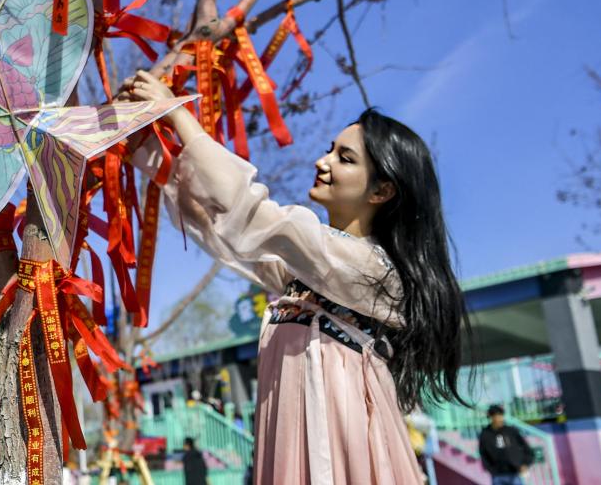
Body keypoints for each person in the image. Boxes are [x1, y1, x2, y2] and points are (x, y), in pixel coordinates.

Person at [121, 71, 469, 484]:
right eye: (330, 151)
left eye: (345, 158)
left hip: (342, 439)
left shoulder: (374, 270)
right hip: (292, 439)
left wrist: (178, 115)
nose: (322, 162)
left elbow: (259, 217)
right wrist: (146, 152)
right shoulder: (305, 269)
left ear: (382, 192)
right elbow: (225, 227)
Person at [479, 405, 533, 484]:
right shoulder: (485, 434)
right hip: (498, 476)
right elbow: (483, 454)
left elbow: (526, 448)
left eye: (501, 416)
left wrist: (525, 463)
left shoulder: (511, 431)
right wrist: (491, 469)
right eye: (497, 416)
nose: (500, 419)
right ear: (491, 417)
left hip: (515, 473)